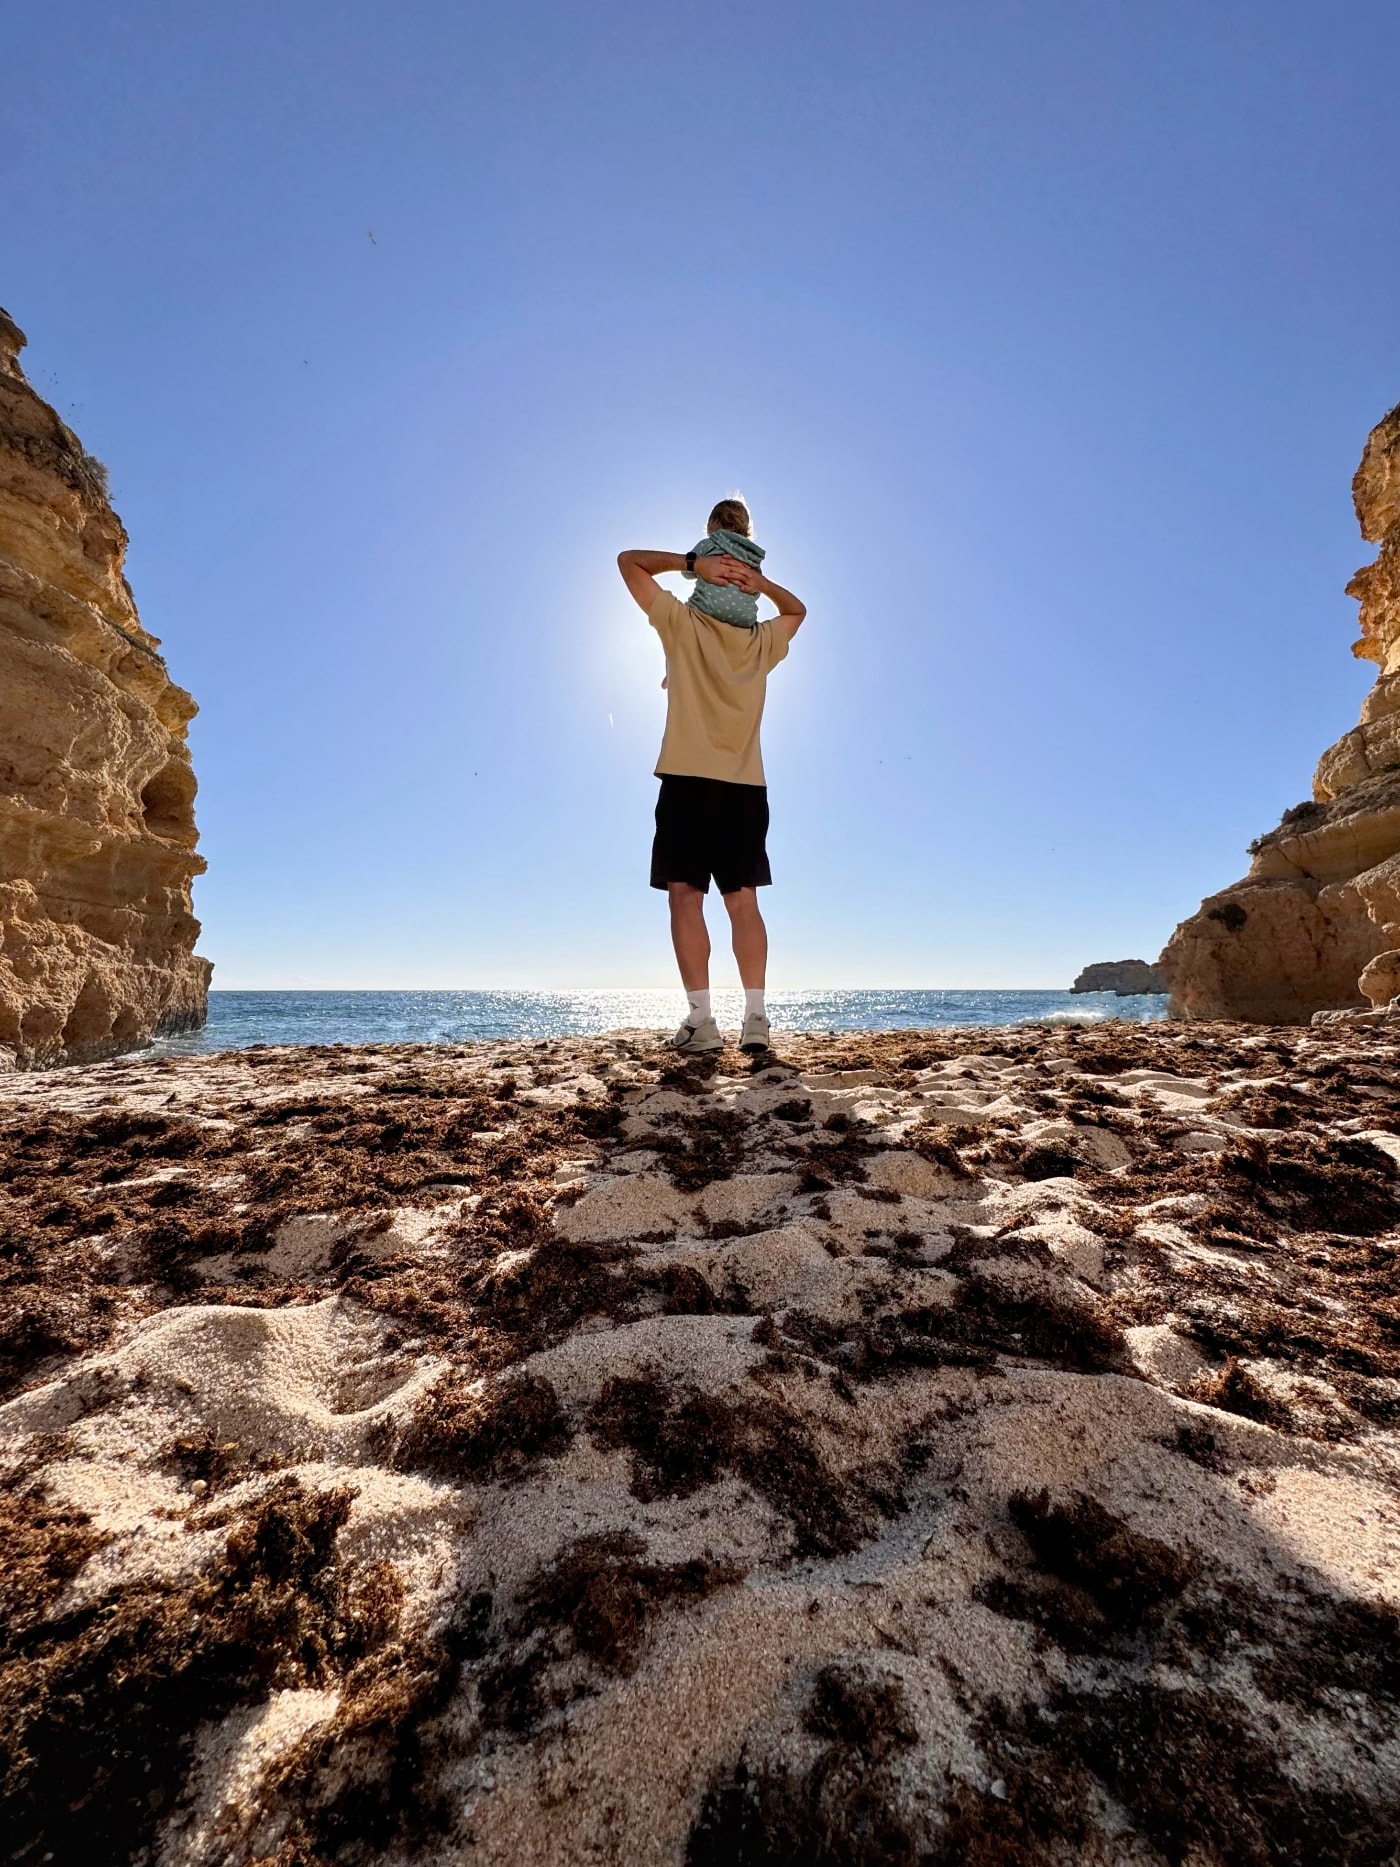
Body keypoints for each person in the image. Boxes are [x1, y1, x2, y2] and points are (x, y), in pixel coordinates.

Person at [617, 498, 806, 1055]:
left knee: (685, 899)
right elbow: (798, 612)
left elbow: (628, 560)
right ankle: (756, 1021)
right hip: (746, 786)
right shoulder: (758, 642)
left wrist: (688, 563)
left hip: (687, 781)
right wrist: (764, 585)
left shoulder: (681, 623)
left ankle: (701, 1021)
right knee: (743, 902)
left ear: (709, 543)